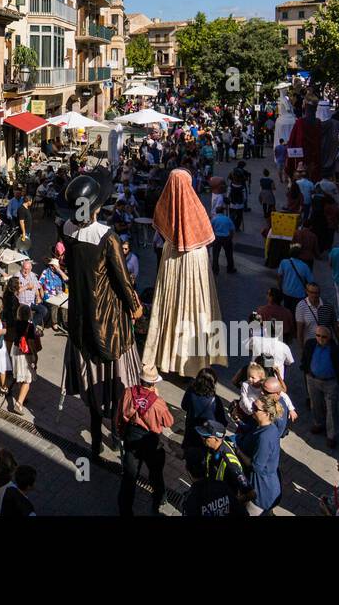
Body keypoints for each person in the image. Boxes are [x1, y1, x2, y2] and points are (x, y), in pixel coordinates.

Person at [62, 170, 146, 459]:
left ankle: (96, 440)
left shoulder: (67, 231)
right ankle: (119, 437)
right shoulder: (106, 236)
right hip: (108, 324)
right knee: (117, 385)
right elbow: (122, 280)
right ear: (96, 208)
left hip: (80, 321)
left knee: (93, 392)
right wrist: (135, 306)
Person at [143, 168, 223, 378]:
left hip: (172, 258)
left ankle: (168, 357)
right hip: (196, 259)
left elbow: (161, 226)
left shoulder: (164, 205)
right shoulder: (198, 209)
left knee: (171, 307)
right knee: (197, 309)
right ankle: (197, 362)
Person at [116, 363, 175, 516]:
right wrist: (158, 397)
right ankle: (159, 500)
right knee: (155, 473)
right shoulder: (158, 403)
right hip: (150, 441)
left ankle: (125, 510)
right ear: (154, 383)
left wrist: (120, 433)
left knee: (129, 477)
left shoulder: (128, 392)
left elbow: (119, 415)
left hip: (131, 438)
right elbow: (169, 422)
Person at [184, 420, 251, 517]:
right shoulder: (212, 448)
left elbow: (250, 493)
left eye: (206, 437)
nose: (202, 438)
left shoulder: (230, 464)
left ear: (216, 439)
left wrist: (229, 503)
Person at [302, 325, 339, 449]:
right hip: (312, 379)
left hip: (330, 382)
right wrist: (307, 371)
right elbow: (305, 358)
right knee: (315, 404)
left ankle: (331, 435)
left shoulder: (337, 350)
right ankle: (318, 424)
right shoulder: (310, 344)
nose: (320, 339)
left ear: (329, 337)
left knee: (331, 409)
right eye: (318, 335)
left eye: (324, 336)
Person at [239, 394, 284, 514]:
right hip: (269, 486)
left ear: (267, 413)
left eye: (256, 409)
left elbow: (256, 466)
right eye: (253, 406)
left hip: (262, 492)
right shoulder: (267, 426)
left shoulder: (265, 437)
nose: (252, 409)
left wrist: (238, 451)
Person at [7, 302, 41, 416]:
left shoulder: (16, 323)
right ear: (29, 314)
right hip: (25, 353)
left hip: (16, 350)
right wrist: (34, 356)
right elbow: (30, 343)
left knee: (20, 376)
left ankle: (22, 396)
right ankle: (19, 403)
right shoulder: (30, 326)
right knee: (27, 379)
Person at [275, 244, 312, 314]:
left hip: (286, 291)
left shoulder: (284, 262)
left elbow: (279, 277)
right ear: (300, 255)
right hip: (299, 294)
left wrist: (279, 288)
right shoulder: (305, 266)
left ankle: (285, 323)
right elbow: (310, 281)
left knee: (286, 310)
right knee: (296, 312)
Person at [209, 204, 237, 275]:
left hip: (217, 238)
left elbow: (210, 229)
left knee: (215, 254)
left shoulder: (214, 219)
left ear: (216, 212)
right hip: (226, 238)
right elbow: (232, 230)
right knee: (229, 254)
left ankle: (215, 270)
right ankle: (230, 268)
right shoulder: (227, 219)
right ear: (223, 212)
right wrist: (230, 238)